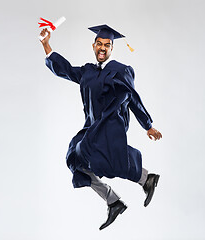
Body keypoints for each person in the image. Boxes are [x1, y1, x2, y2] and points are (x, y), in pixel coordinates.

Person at [40, 24, 162, 230]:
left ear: (112, 48)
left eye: (107, 45)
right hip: (92, 127)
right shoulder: (87, 71)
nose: (102, 48)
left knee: (102, 157)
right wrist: (46, 45)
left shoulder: (120, 70)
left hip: (111, 124)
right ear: (93, 46)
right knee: (75, 158)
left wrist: (148, 125)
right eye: (99, 44)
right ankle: (114, 200)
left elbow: (133, 98)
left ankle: (145, 178)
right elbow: (66, 70)